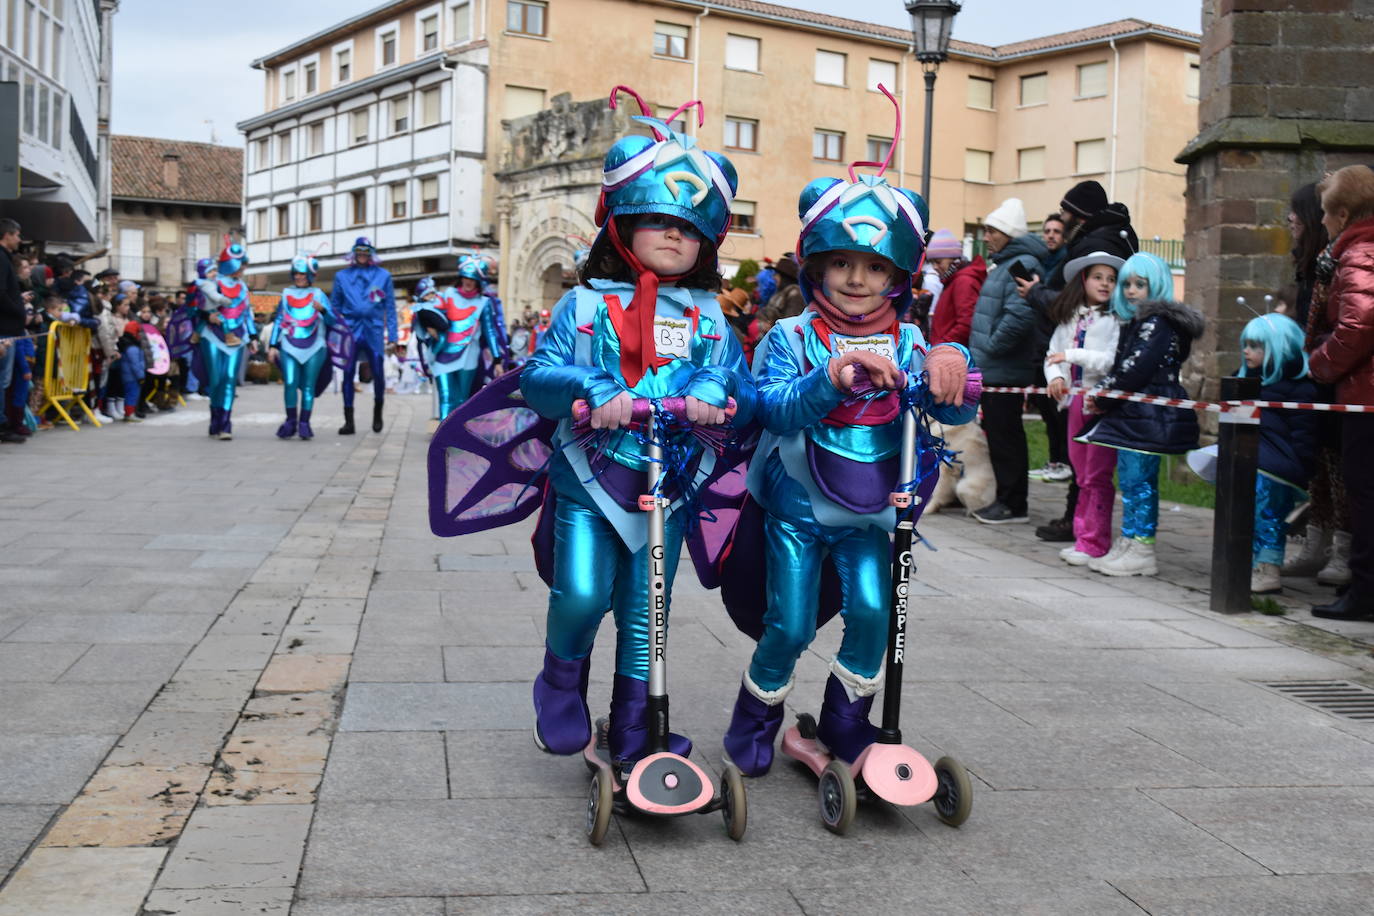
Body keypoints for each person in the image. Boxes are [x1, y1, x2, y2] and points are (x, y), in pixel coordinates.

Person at [520, 96, 757, 766]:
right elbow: (537, 377)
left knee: (647, 610)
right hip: (590, 479)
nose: (672, 234)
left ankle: (633, 726)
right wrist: (590, 388)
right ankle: (560, 681)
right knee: (583, 593)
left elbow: (740, 383)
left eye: (687, 224)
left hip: (673, 480)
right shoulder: (584, 303)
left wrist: (716, 388)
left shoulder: (710, 315)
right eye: (655, 218)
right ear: (620, 222)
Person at [721, 160, 975, 777]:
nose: (857, 279)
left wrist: (953, 361)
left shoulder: (913, 339)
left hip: (873, 510)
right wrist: (829, 378)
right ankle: (755, 719)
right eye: (841, 263)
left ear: (898, 275)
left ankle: (844, 718)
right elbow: (771, 409)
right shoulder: (789, 335)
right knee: (788, 623)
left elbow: (953, 400)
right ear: (816, 267)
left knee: (872, 614)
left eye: (875, 266)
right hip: (797, 509)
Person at [1078, 252, 1204, 577]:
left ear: (1156, 285)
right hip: (1136, 410)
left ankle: (1142, 547)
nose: (1131, 291)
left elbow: (1135, 367)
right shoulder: (1140, 322)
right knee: (1132, 480)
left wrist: (1102, 396)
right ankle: (1130, 539)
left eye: (1140, 284)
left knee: (1140, 482)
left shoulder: (1156, 323)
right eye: (1128, 284)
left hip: (1148, 410)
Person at [1308, 164, 1374, 620]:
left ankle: (1365, 593)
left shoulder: (1360, 252)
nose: (1323, 223)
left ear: (1345, 213)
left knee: (1365, 493)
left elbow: (1358, 326)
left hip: (1366, 396)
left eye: (1326, 215)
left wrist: (1318, 364)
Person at [968, 197, 1049, 525]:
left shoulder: (1022, 265)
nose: (985, 237)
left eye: (991, 231)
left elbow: (1019, 315)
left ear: (1008, 233)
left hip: (1004, 367)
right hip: (995, 366)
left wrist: (989, 346)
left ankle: (1013, 502)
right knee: (999, 433)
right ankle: (1007, 497)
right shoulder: (1006, 263)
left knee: (1006, 436)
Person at [1043, 252, 1124, 565]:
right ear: (1084, 281)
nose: (1104, 284)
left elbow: (1108, 360)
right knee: (1080, 472)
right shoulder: (1071, 318)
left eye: (1111, 278)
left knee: (1098, 473)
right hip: (1074, 401)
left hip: (1099, 400)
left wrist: (1072, 356)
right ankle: (1082, 536)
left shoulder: (1114, 321)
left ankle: (1096, 540)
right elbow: (1053, 354)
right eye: (1098, 277)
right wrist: (1056, 377)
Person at [1286, 182, 1348, 585]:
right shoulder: (1310, 265)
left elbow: (1346, 326)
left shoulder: (1338, 262)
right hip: (1313, 378)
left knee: (1341, 469)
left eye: (1296, 212)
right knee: (1318, 467)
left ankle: (1343, 550)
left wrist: (1317, 362)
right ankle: (1316, 542)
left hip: (1335, 379)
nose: (1289, 220)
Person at [1231, 314, 1320, 594]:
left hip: (1279, 468)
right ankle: (1252, 561)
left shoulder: (1301, 390)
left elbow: (1305, 433)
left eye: (1256, 346)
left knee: (1269, 513)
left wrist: (1303, 469)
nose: (1247, 351)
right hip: (1250, 460)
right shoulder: (1245, 382)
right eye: (1246, 345)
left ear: (1279, 348)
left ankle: (1268, 567)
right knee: (1248, 511)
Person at [411, 255, 503, 420]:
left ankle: (456, 441)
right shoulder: (447, 294)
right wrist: (428, 326)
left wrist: (497, 359)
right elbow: (429, 313)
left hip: (469, 356)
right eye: (466, 278)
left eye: (472, 279)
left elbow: (490, 331)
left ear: (478, 281)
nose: (468, 282)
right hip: (443, 353)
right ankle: (443, 443)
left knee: (461, 401)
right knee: (446, 398)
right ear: (461, 278)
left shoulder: (484, 302)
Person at [331, 237, 397, 435]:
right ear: (353, 253)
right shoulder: (341, 276)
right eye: (358, 251)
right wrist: (334, 333)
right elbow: (334, 306)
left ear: (371, 253)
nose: (362, 255)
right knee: (348, 372)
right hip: (349, 330)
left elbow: (390, 308)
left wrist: (393, 335)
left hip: (374, 330)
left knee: (378, 371)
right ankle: (348, 421)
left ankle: (378, 413)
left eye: (365, 251)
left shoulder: (383, 276)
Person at [194, 240, 256, 440]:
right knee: (216, 379)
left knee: (229, 379)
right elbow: (194, 307)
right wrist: (206, 317)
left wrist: (253, 336)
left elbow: (247, 313)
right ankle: (215, 419)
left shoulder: (243, 287)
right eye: (241, 264)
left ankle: (225, 424)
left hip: (237, 337)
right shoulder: (211, 281)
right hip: (212, 336)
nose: (244, 268)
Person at [268, 255, 336, 440]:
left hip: (315, 346)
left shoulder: (319, 294)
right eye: (296, 273)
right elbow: (279, 320)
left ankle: (304, 423)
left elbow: (333, 321)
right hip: (289, 345)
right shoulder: (286, 293)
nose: (299, 277)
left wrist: (322, 309)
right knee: (289, 383)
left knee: (308, 386)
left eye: (303, 274)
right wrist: (273, 345)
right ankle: (291, 422)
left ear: (311, 275)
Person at [927, 228, 985, 347]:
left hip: (949, 355)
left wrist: (941, 346)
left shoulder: (963, 281)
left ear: (954, 259)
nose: (935, 267)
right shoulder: (953, 280)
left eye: (938, 262)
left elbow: (966, 324)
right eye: (932, 262)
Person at [0, 218, 28, 444]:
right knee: (2, 380)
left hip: (8, 326)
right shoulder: (1, 258)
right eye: (17, 235)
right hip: (4, 328)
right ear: (7, 235)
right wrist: (17, 311)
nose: (19, 239)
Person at [116, 320, 146, 423]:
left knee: (131, 394)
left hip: (128, 376)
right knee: (132, 395)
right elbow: (135, 364)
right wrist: (140, 376)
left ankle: (130, 413)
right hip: (132, 377)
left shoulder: (127, 346)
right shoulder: (132, 348)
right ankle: (129, 414)